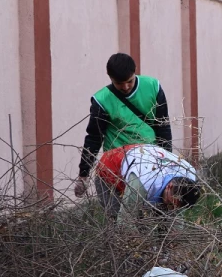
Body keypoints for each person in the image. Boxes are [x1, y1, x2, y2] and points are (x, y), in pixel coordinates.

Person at [75, 53, 172, 198]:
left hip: (150, 163)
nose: (125, 87)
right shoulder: (102, 100)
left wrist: (167, 161)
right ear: (110, 78)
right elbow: (94, 139)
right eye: (119, 83)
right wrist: (83, 175)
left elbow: (163, 127)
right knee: (119, 217)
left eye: (129, 81)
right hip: (117, 167)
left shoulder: (153, 87)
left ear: (135, 72)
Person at [93, 144, 201, 220]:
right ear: (170, 186)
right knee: (119, 219)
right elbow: (125, 220)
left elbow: (176, 221)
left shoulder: (188, 175)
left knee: (159, 216)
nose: (171, 209)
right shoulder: (144, 181)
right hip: (109, 171)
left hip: (143, 159)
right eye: (171, 204)